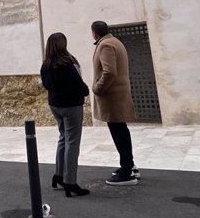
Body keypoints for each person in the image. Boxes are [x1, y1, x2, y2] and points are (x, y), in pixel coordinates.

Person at [40, 32, 90, 197]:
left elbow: (46, 85)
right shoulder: (68, 64)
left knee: (63, 138)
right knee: (72, 142)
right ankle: (70, 181)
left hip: (55, 105)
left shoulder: (45, 65)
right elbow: (79, 86)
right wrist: (85, 91)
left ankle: (59, 174)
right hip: (71, 105)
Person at [91, 21, 139, 186]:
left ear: (94, 33)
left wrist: (97, 88)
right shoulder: (116, 42)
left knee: (119, 132)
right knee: (121, 130)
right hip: (117, 95)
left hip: (112, 97)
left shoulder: (105, 45)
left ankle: (127, 171)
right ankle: (129, 165)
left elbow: (109, 72)